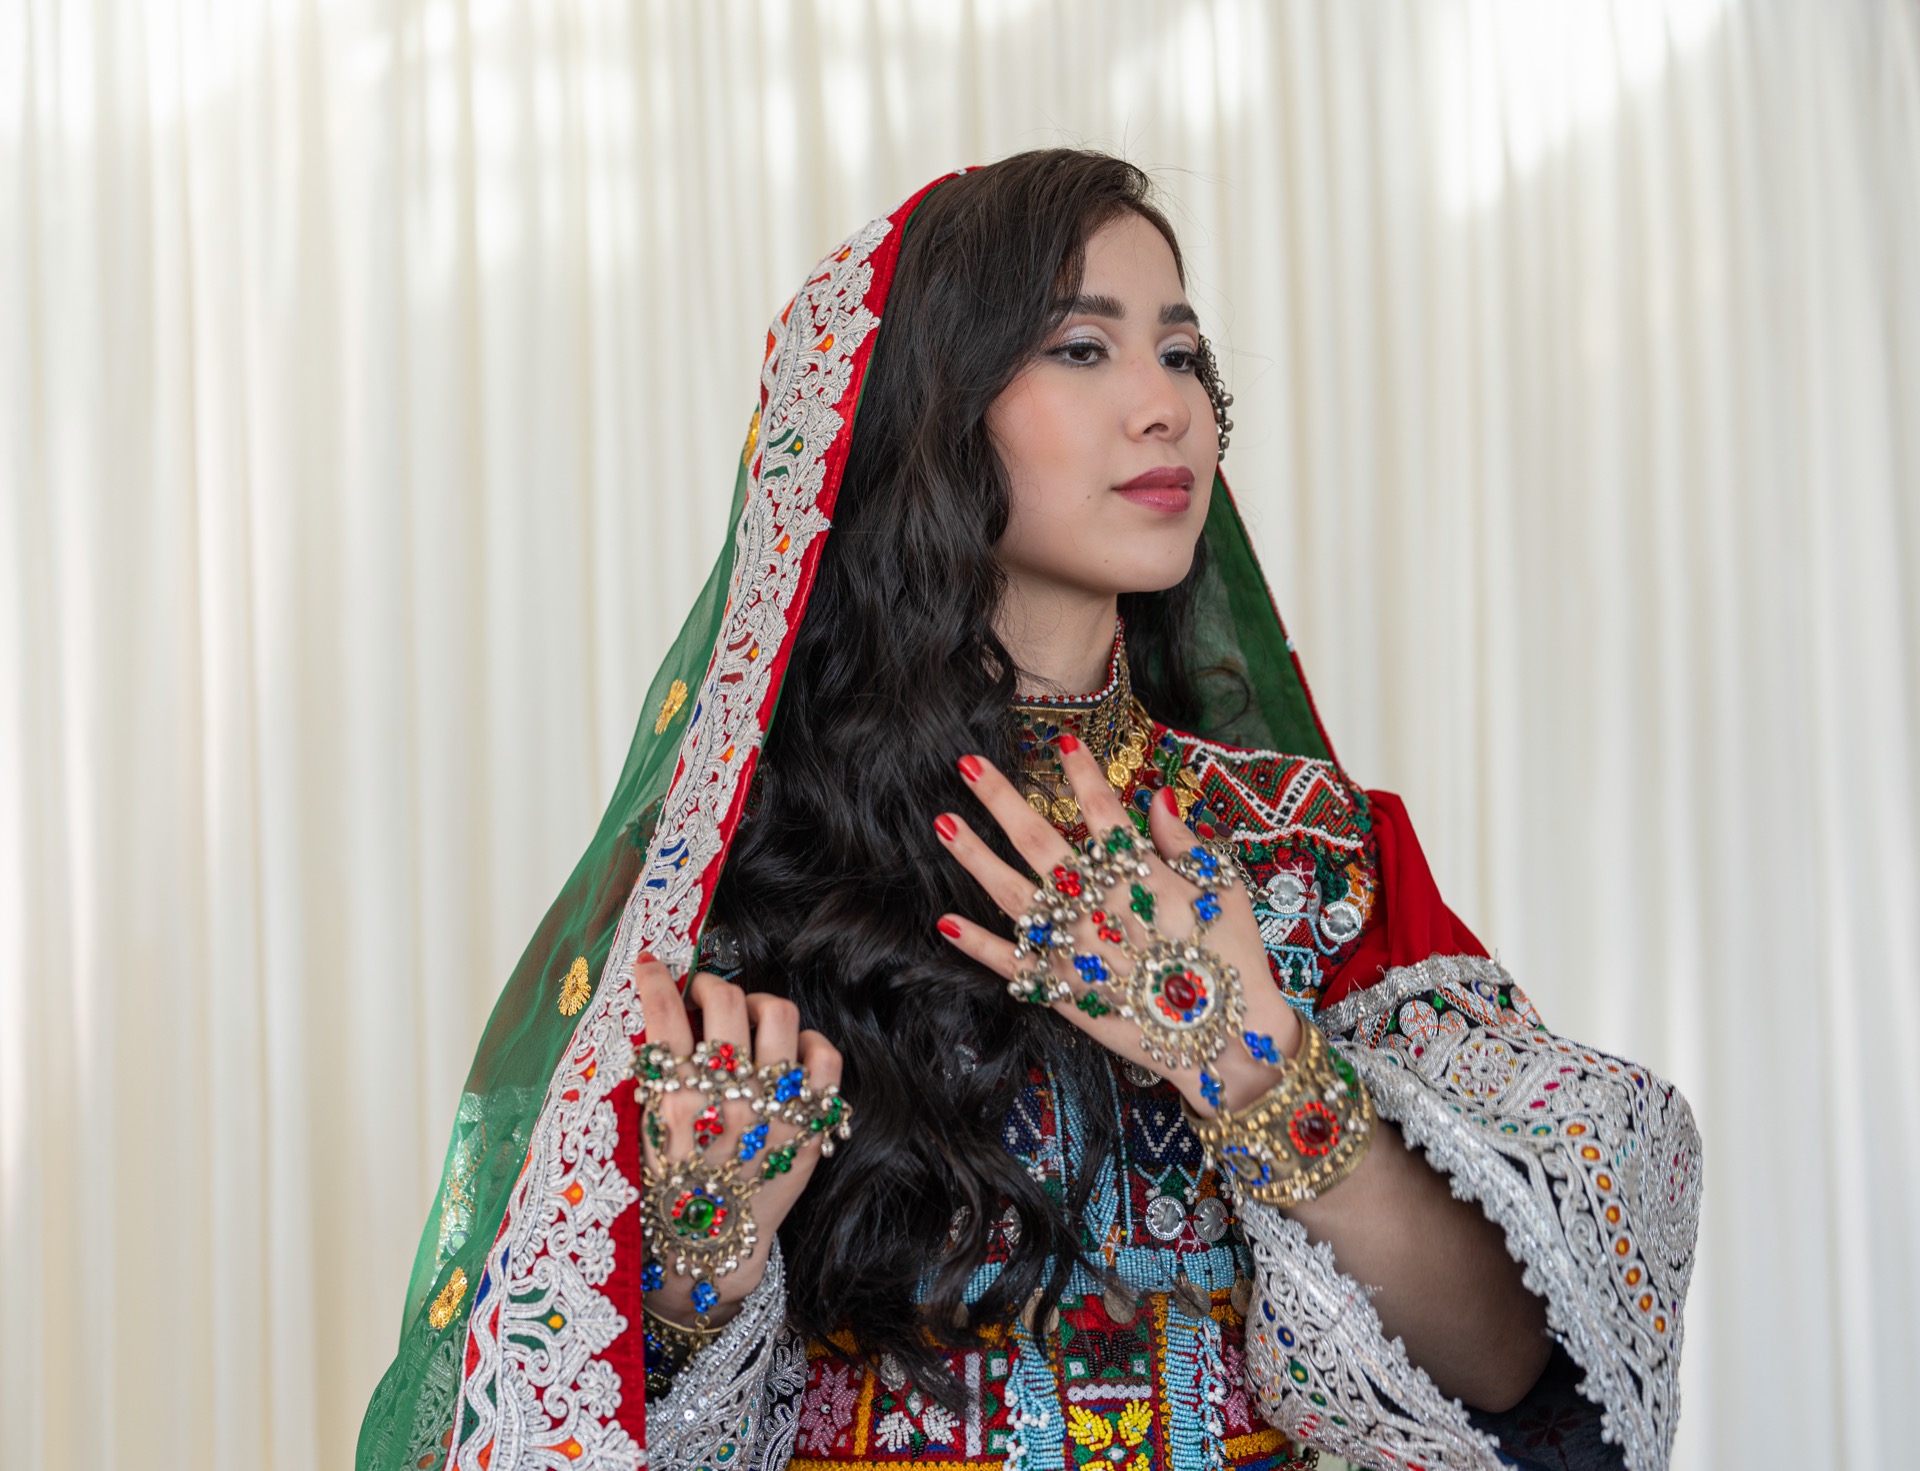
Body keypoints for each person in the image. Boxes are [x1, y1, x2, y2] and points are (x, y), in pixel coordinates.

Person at [357, 151, 1700, 1471]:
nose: (1164, 406)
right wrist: (707, 1259)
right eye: (1081, 348)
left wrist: (1253, 1062)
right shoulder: (739, 870)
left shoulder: (1309, 853)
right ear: (927, 410)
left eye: (1181, 353)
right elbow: (549, 1408)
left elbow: (1515, 1371)